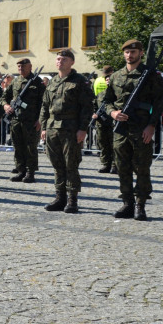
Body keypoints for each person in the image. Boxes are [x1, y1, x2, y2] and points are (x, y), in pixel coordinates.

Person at [103, 40, 163, 221]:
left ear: (140, 53)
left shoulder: (151, 75)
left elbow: (159, 103)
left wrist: (151, 126)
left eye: (133, 52)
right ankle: (127, 203)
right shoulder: (116, 76)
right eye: (127, 52)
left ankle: (140, 204)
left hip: (141, 128)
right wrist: (113, 113)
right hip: (121, 130)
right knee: (122, 168)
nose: (130, 55)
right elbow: (106, 101)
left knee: (142, 168)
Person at [38, 49, 94, 213]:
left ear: (72, 62)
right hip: (53, 129)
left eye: (64, 59)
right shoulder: (53, 81)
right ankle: (59, 197)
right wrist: (44, 127)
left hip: (71, 129)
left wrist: (83, 129)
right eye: (58, 59)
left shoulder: (79, 81)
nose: (60, 62)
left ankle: (72, 200)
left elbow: (87, 107)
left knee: (71, 164)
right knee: (57, 165)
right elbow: (45, 106)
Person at [3, 58, 45, 183]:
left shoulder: (37, 82)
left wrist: (40, 120)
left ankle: (30, 173)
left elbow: (44, 103)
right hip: (16, 119)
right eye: (19, 66)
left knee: (30, 147)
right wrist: (6, 106)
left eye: (23, 66)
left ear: (30, 66)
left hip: (31, 121)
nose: (20, 68)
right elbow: (4, 97)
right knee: (18, 146)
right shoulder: (15, 81)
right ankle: (21, 171)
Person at [92, 66, 115, 173]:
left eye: (109, 80)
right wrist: (94, 113)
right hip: (101, 122)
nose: (107, 81)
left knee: (114, 144)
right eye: (106, 80)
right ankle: (106, 164)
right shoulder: (101, 93)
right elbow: (94, 104)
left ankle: (115, 165)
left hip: (114, 123)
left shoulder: (117, 94)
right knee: (103, 143)